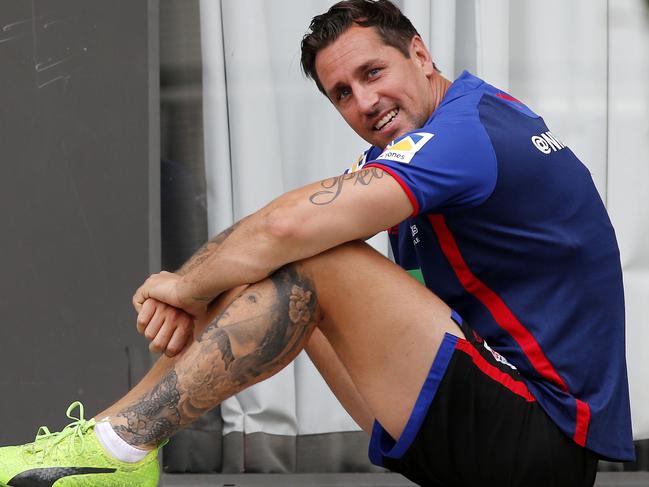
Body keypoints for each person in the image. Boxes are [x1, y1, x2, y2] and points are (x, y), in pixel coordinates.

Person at [0, 0, 634, 485]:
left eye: (373, 71)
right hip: (491, 420)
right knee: (291, 267)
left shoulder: (466, 132)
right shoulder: (441, 137)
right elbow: (387, 297)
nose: (365, 101)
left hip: (539, 435)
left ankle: (115, 449)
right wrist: (223, 287)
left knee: (314, 253)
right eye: (342, 93)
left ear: (420, 53)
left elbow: (287, 228)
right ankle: (112, 446)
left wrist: (185, 286)